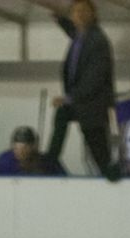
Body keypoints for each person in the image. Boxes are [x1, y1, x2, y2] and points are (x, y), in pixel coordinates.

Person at [45, 0, 115, 177]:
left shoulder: (98, 40)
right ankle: (50, 161)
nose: (80, 15)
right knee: (62, 115)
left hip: (92, 105)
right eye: (76, 12)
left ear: (93, 14)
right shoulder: (80, 36)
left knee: (99, 152)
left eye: (84, 11)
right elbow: (71, 29)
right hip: (80, 102)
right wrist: (59, 17)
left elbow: (94, 79)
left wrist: (69, 98)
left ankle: (110, 176)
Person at [0, 126, 64, 177]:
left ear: (33, 147)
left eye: (25, 147)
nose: (20, 152)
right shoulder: (4, 161)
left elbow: (65, 182)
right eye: (16, 148)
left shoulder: (47, 162)